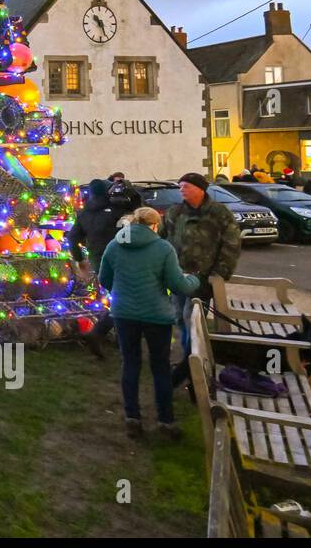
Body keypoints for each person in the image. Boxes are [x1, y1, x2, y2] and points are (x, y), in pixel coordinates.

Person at [98, 207, 199, 438]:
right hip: (156, 315)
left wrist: (121, 291)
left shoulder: (115, 245)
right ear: (155, 225)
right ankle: (165, 420)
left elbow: (104, 278)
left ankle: (132, 417)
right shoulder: (163, 248)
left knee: (130, 364)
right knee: (160, 368)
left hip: (123, 314)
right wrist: (194, 279)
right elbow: (178, 285)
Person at [161, 172, 240, 357]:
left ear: (200, 189)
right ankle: (187, 356)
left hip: (203, 277)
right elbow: (161, 238)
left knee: (193, 318)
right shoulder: (175, 212)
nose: (181, 190)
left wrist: (220, 272)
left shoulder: (219, 213)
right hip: (177, 275)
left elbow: (232, 243)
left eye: (186, 186)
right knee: (178, 316)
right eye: (180, 186)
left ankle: (193, 358)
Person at [71, 179, 131, 358]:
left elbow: (73, 238)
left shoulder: (84, 213)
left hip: (99, 262)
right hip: (120, 260)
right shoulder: (116, 211)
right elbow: (127, 234)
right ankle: (99, 333)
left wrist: (80, 260)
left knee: (119, 299)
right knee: (125, 301)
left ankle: (119, 340)